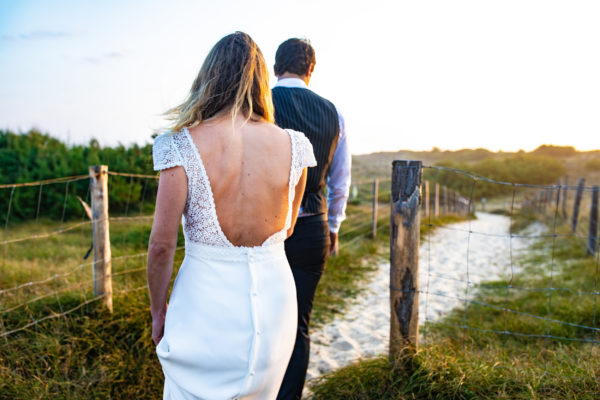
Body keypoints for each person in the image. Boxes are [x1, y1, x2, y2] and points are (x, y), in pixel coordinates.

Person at [147, 32, 317, 400]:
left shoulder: (180, 144)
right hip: (274, 303)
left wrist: (158, 312)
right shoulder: (295, 146)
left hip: (203, 307)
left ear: (209, 76)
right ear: (260, 80)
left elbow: (162, 245)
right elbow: (286, 227)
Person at [272, 38, 351, 400]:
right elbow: (340, 179)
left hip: (267, 228)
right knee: (299, 324)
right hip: (312, 228)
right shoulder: (333, 113)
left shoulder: (263, 104)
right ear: (311, 70)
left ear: (275, 67)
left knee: (260, 319)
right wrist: (333, 227)